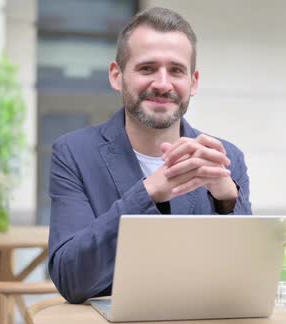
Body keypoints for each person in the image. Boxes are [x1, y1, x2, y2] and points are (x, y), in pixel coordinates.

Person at [48, 7, 252, 304]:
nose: (162, 83)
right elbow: (71, 279)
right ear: (117, 76)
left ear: (193, 82)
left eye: (176, 70)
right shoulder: (73, 153)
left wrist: (228, 201)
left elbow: (246, 279)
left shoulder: (226, 157)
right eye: (147, 68)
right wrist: (146, 194)